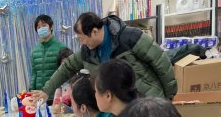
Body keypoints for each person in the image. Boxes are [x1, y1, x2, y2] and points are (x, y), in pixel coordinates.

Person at [32, 11, 177, 103]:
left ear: (94, 32)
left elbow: (161, 62)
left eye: (82, 38)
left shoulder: (130, 37)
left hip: (150, 101)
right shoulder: (87, 51)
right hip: (122, 109)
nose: (81, 43)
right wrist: (46, 91)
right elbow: (67, 67)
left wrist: (170, 95)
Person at [29, 14, 67, 102]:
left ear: (51, 26)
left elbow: (65, 73)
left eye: (44, 25)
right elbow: (34, 74)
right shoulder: (35, 51)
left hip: (56, 97)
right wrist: (31, 91)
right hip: (39, 96)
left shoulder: (61, 48)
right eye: (38, 27)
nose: (41, 29)